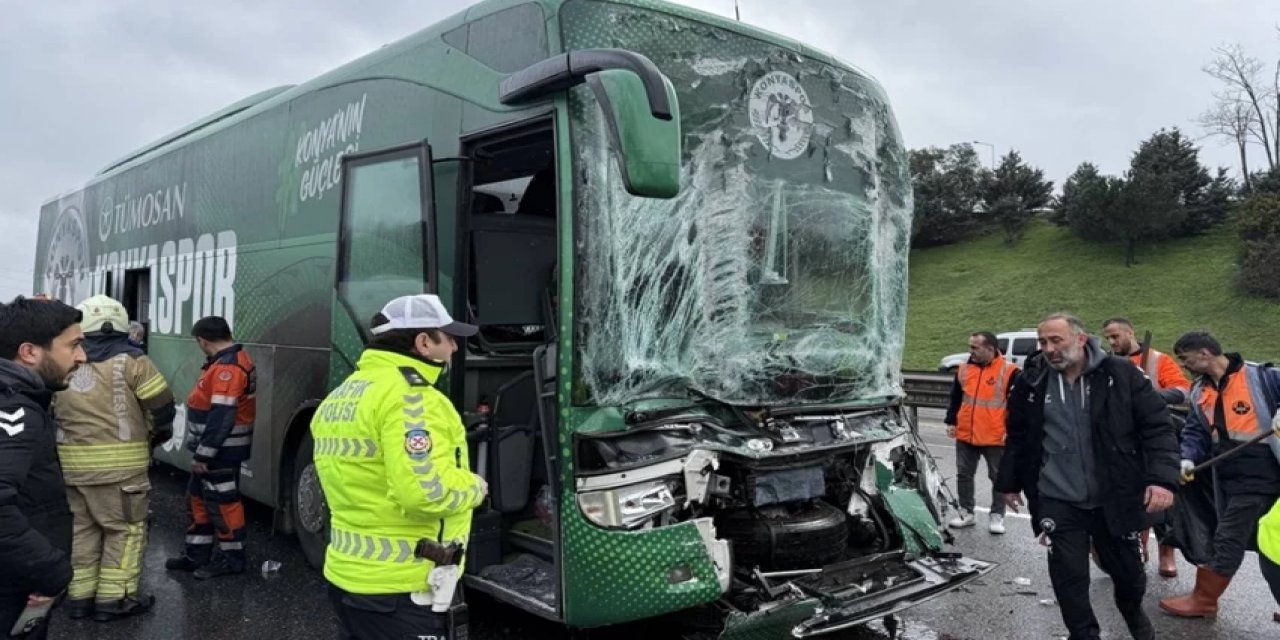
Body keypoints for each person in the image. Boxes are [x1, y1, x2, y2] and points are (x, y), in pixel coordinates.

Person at [311, 294, 487, 639]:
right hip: (402, 587)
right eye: (448, 337)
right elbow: (424, 493)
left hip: (348, 577)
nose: (454, 347)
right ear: (423, 342)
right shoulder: (415, 400)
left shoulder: (344, 394)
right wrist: (474, 488)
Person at [995, 313, 1177, 640]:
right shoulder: (1031, 381)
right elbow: (1018, 435)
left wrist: (1161, 479)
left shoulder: (1120, 374)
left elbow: (1158, 428)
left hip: (1114, 495)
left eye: (1056, 340)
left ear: (1080, 340)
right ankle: (1083, 634)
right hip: (1058, 498)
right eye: (1043, 342)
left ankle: (1133, 614)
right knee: (1069, 579)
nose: (1048, 349)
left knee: (1129, 576)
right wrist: (1008, 482)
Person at [51, 296, 175, 621]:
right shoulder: (133, 361)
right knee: (125, 530)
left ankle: (79, 597)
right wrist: (154, 434)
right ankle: (115, 600)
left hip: (73, 469)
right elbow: (162, 406)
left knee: (82, 530)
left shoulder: (64, 361)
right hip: (122, 473)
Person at [1159, 330, 1280, 618]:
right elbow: (1195, 431)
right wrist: (1187, 458)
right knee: (1267, 544)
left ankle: (1204, 599)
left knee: (1229, 538)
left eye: (1186, 359)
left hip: (1262, 474)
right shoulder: (1200, 390)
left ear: (1204, 354)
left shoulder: (1262, 377)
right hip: (1226, 476)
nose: (1184, 366)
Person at [0, 296, 87, 638]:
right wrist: (50, 569)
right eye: (74, 346)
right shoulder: (15, 411)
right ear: (30, 352)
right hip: (14, 585)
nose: (82, 357)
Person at [164, 316, 256, 580]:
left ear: (203, 341)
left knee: (223, 504)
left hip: (221, 452)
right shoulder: (227, 363)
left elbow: (222, 414)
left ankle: (232, 559)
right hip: (215, 450)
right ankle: (196, 554)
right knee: (198, 499)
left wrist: (205, 453)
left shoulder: (229, 368)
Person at [1101, 317, 1191, 577]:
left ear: (1131, 333)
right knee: (1128, 500)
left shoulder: (1157, 360)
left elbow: (1183, 390)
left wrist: (1149, 398)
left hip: (1153, 437)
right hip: (1122, 442)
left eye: (1116, 336)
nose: (1112, 342)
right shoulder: (1106, 364)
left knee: (1162, 499)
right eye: (1108, 338)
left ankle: (1166, 551)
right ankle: (1136, 550)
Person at [943, 331, 1019, 534]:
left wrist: (1010, 431)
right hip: (966, 433)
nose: (970, 351)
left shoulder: (1010, 371)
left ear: (990, 349)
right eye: (970, 347)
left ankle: (997, 515)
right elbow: (956, 398)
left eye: (975, 347)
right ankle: (967, 512)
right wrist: (951, 421)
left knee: (998, 477)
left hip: (995, 435)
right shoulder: (964, 369)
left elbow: (1016, 407)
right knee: (964, 475)